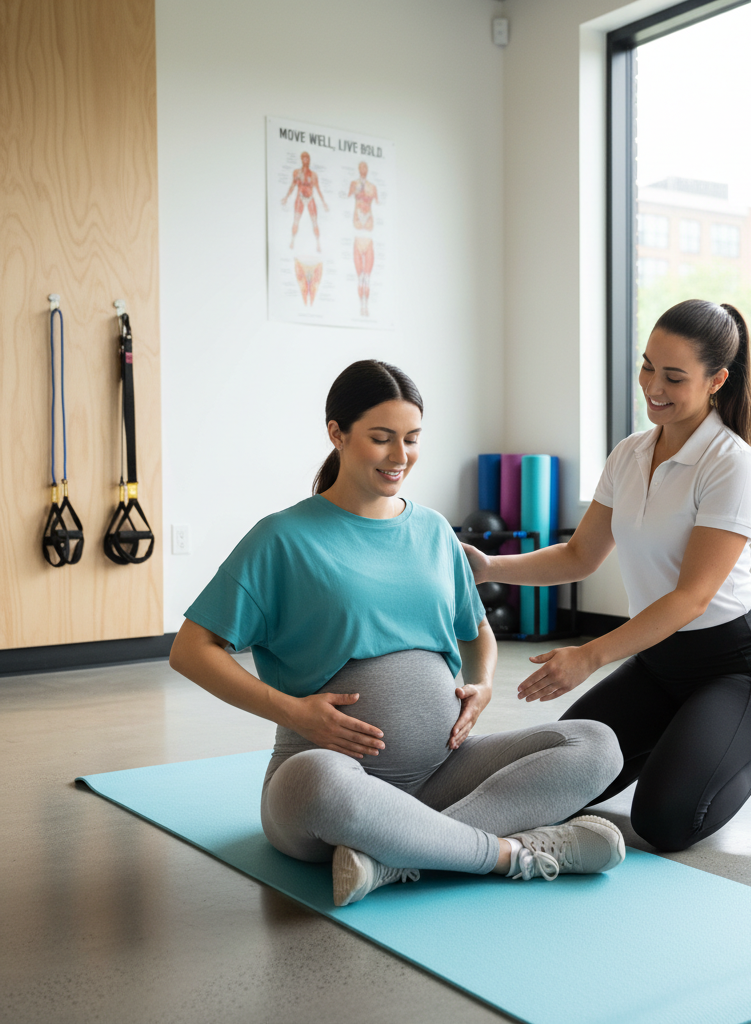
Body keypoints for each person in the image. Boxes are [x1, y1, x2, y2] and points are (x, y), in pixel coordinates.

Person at [168, 360, 626, 907]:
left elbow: (478, 631)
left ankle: (392, 856)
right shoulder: (282, 538)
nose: (400, 456)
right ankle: (510, 856)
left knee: (596, 745)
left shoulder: (433, 530)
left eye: (411, 439)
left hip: (443, 772)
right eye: (381, 439)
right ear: (337, 434)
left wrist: (480, 686)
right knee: (318, 779)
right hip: (328, 779)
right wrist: (293, 713)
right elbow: (191, 650)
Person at [462, 300, 751, 853]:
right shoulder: (630, 454)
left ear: (716, 381)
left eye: (674, 376)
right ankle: (687, 741)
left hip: (735, 671)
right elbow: (580, 555)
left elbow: (691, 598)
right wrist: (490, 567)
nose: (652, 385)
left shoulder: (731, 464)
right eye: (647, 365)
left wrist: (588, 655)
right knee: (558, 787)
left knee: (666, 822)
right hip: (659, 666)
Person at [347, 162, 378, 316]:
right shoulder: (354, 184)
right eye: (361, 167)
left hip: (369, 234)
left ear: (368, 169)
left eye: (366, 167)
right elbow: (346, 197)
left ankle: (366, 307)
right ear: (358, 169)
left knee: (367, 277)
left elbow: (379, 204)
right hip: (358, 233)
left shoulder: (373, 187)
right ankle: (362, 307)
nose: (364, 170)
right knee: (360, 278)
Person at [282, 151, 329, 252]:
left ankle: (318, 244)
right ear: (301, 160)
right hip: (300, 198)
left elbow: (318, 189)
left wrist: (323, 202)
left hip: (310, 198)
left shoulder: (313, 175)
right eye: (303, 158)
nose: (305, 160)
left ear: (309, 160)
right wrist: (286, 197)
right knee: (296, 220)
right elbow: (293, 186)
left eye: (307, 158)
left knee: (314, 222)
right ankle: (292, 241)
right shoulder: (296, 173)